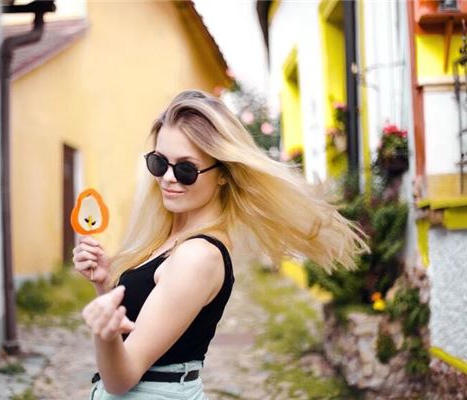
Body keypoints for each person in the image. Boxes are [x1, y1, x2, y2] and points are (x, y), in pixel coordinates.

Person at [73, 89, 369, 399]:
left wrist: (103, 334)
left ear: (224, 174)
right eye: (160, 163)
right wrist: (105, 284)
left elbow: (121, 378)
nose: (168, 178)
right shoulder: (172, 241)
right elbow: (135, 325)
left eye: (186, 169)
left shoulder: (197, 256)